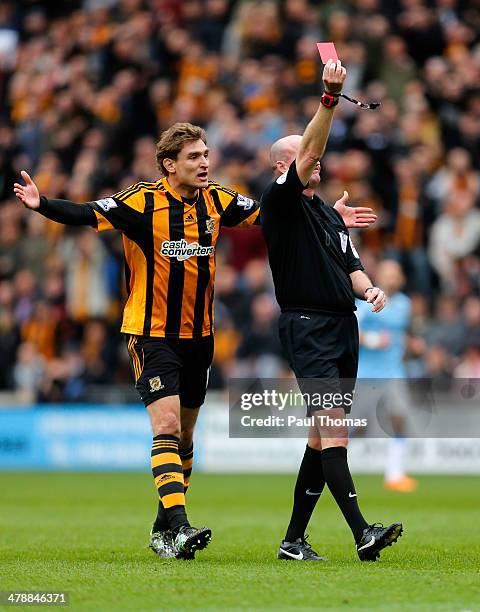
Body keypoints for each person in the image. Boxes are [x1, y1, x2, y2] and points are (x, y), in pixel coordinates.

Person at [14, 121, 375, 560]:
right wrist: (41, 204)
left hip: (199, 337)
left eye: (206, 155)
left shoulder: (218, 200)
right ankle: (181, 528)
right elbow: (88, 212)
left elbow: (278, 213)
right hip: (151, 334)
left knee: (184, 438)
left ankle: (162, 528)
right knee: (165, 427)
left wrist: (331, 221)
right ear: (170, 164)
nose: (205, 163)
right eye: (194, 157)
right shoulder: (141, 201)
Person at [260, 59, 403, 562]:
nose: (316, 162)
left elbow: (351, 265)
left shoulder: (324, 212)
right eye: (304, 158)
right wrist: (328, 99)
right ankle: (363, 533)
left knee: (322, 438)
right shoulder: (278, 201)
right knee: (336, 428)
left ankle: (293, 541)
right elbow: (314, 146)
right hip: (309, 326)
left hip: (343, 327)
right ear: (284, 167)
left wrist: (370, 292)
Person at [357, 259, 418, 492]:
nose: (392, 278)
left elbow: (399, 334)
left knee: (399, 418)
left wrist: (413, 345)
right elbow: (352, 331)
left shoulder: (405, 304)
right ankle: (331, 469)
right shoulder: (364, 302)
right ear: (379, 276)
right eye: (388, 273)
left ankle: (395, 474)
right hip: (365, 374)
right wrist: (373, 341)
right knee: (356, 427)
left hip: (393, 372)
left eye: (396, 274)